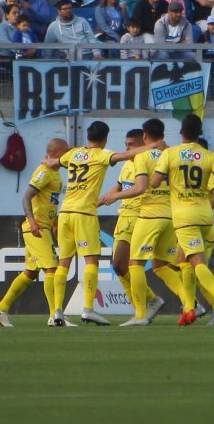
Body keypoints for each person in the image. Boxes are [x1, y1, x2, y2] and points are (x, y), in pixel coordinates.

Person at [41, 120, 160, 327]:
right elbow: (126, 156)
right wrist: (152, 145)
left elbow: (52, 163)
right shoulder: (102, 155)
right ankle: (88, 309)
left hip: (65, 212)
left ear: (88, 136)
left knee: (63, 262)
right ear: (105, 139)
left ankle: (57, 313)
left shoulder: (73, 154)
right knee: (91, 261)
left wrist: (46, 161)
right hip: (84, 213)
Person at [151, 114, 214, 326]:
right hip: (205, 216)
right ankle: (189, 310)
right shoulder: (209, 156)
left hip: (185, 218)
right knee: (184, 260)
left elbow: (155, 182)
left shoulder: (170, 154)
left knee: (197, 263)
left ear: (181, 132)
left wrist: (170, 177)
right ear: (199, 133)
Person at [97, 118, 188, 327]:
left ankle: (143, 311)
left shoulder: (143, 159)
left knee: (131, 264)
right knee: (152, 266)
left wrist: (116, 198)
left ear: (144, 141)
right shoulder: (137, 163)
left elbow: (139, 189)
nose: (127, 149)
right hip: (158, 216)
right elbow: (118, 188)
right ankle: (180, 303)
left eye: (131, 145)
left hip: (141, 216)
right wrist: (98, 202)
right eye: (126, 145)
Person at [0, 138, 72, 328]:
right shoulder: (44, 172)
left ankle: (1, 308)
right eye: (66, 152)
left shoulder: (55, 172)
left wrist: (54, 223)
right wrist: (33, 222)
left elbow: (49, 201)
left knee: (30, 272)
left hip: (44, 226)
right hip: (36, 229)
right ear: (59, 153)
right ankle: (55, 315)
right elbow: (26, 197)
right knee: (52, 268)